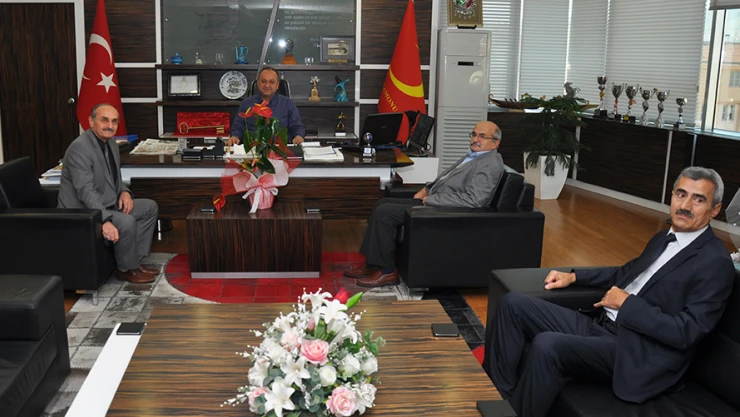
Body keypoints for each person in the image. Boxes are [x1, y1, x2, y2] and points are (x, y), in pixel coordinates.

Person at [486, 167, 735, 417]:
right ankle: (499, 397)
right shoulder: (664, 238)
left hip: (636, 352)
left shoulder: (715, 262)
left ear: (714, 210)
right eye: (681, 194)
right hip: (601, 326)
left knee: (547, 344)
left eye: (698, 199)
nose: (685, 205)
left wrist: (627, 305)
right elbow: (625, 272)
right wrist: (574, 276)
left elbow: (687, 331)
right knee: (513, 304)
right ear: (672, 196)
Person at [344, 120, 505, 287]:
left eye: (482, 136)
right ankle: (373, 264)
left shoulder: (490, 164)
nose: (475, 139)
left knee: (385, 212)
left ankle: (387, 271)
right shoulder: (476, 156)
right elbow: (448, 181)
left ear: (495, 143)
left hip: (445, 211)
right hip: (435, 201)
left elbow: (474, 200)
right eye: (474, 134)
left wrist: (432, 199)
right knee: (381, 203)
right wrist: (427, 189)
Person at [58, 103, 160, 284]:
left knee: (149, 208)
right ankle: (125, 270)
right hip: (83, 211)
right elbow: (86, 191)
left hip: (107, 203)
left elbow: (113, 177)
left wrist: (124, 192)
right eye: (104, 120)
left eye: (114, 121)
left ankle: (134, 262)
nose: (110, 126)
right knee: (126, 221)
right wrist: (103, 219)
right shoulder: (79, 149)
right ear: (91, 122)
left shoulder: (111, 143)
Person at [227, 66, 305, 145]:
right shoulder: (246, 103)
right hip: (253, 149)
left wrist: (298, 136)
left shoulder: (288, 103)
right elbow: (238, 127)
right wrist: (235, 136)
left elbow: (297, 126)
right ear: (258, 83)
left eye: (272, 82)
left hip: (280, 149)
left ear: (277, 85)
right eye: (263, 81)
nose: (267, 85)